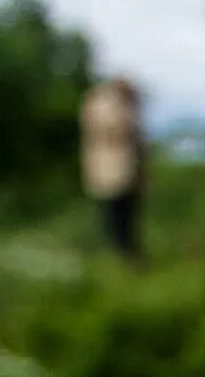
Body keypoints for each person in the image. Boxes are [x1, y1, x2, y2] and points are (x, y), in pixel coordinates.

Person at [80, 77, 145, 259]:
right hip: (114, 168)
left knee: (123, 214)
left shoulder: (105, 103)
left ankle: (123, 252)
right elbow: (116, 131)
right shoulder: (106, 104)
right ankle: (121, 253)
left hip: (120, 169)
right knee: (117, 214)